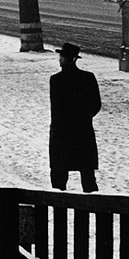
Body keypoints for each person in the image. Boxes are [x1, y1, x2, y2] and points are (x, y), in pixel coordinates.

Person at [49, 42, 101, 192]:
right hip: (83, 132)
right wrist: (84, 117)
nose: (60, 60)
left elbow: (56, 110)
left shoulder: (56, 80)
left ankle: (58, 209)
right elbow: (96, 105)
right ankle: (93, 207)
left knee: (59, 176)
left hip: (62, 134)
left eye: (61, 57)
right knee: (87, 175)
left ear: (67, 59)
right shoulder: (88, 78)